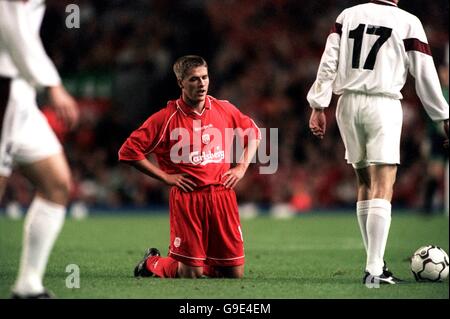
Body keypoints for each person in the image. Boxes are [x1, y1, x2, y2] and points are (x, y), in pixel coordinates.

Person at [306, 0, 449, 285]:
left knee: (365, 182)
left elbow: (328, 61)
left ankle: (375, 263)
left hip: (347, 104)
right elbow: (425, 73)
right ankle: (374, 269)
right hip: (382, 104)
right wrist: (443, 115)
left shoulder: (347, 15)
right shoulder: (408, 21)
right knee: (384, 183)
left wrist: (318, 105)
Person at [118, 55, 261, 279]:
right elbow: (128, 152)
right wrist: (165, 177)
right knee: (190, 274)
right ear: (180, 83)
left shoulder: (224, 109)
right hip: (188, 198)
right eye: (194, 79)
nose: (201, 83)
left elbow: (254, 133)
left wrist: (242, 167)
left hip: (223, 196)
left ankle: (203, 263)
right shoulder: (165, 118)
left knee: (233, 275)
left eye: (204, 77)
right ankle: (152, 263)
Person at [0, 1, 79, 298]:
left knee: (56, 183)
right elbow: (10, 25)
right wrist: (52, 84)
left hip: (20, 93)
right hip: (4, 85)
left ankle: (28, 286)